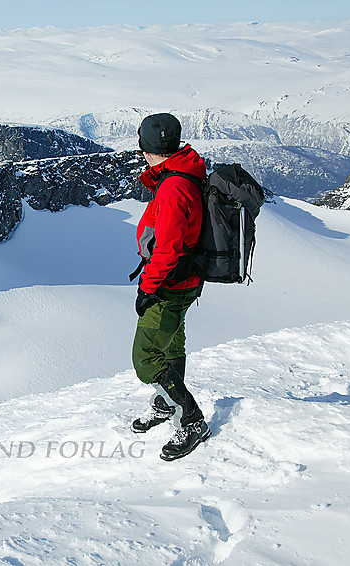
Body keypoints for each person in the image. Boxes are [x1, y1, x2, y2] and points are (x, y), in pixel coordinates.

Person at [130, 112, 211, 461]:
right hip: (183, 281)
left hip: (169, 285)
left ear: (147, 148)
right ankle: (167, 402)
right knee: (173, 340)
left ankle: (191, 419)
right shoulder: (180, 175)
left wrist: (148, 287)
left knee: (146, 358)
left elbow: (168, 247)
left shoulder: (174, 187)